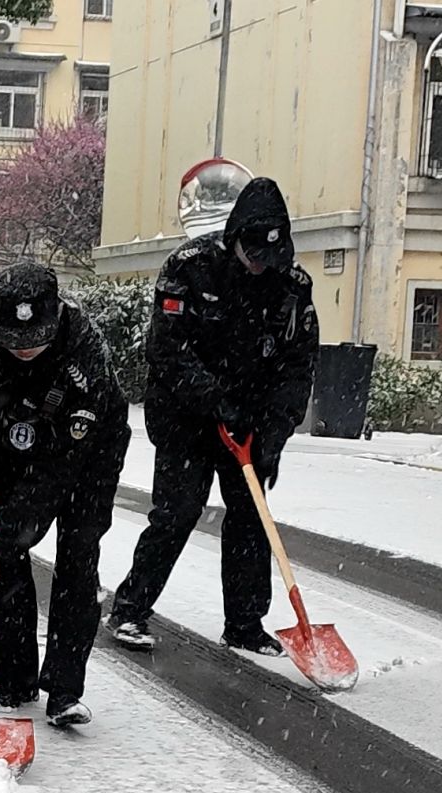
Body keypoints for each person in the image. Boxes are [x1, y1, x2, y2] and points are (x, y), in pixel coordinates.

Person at [108, 176, 318, 655]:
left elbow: (297, 367)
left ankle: (245, 623)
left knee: (251, 518)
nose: (262, 266)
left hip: (253, 421)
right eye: (254, 254)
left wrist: (273, 433)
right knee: (177, 513)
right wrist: (213, 400)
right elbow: (167, 350)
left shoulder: (291, 287)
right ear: (235, 238)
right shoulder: (190, 268)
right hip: (186, 415)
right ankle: (130, 609)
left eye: (272, 256)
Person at [0, 262, 130, 729]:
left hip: (86, 453)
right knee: (5, 565)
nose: (25, 349)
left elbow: (56, 472)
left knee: (77, 557)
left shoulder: (83, 347)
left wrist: (3, 541)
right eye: (14, 340)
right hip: (7, 439)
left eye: (35, 340)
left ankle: (64, 689)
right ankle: (14, 679)